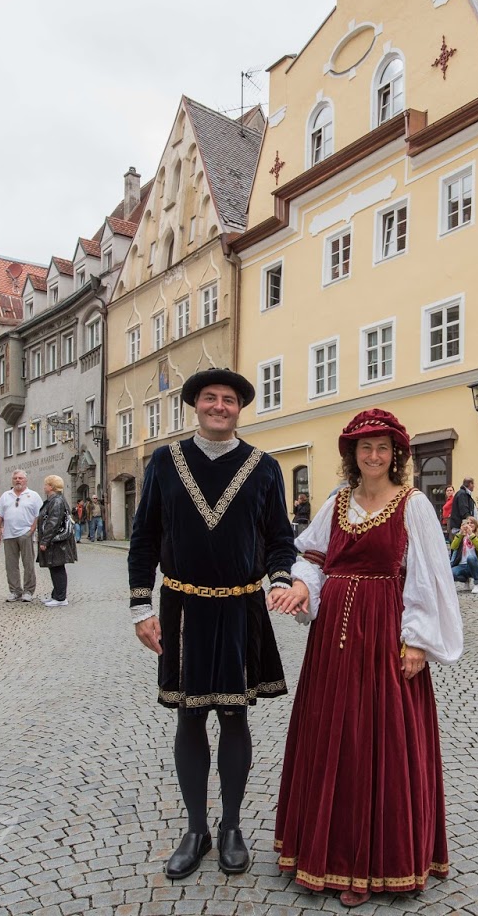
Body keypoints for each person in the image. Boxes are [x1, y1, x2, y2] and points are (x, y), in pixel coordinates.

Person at [270, 409, 463, 908]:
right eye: (365, 448)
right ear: (352, 455)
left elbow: (428, 576)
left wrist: (417, 640)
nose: (373, 456)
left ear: (395, 454)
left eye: (382, 448)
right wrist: (301, 588)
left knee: (379, 738)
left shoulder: (412, 505)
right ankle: (322, 853)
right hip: (331, 641)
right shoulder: (337, 501)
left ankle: (378, 864)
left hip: (383, 634)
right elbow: (312, 558)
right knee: (331, 733)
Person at [128, 368, 296, 881]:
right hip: (183, 608)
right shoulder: (165, 462)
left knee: (234, 716)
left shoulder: (264, 468)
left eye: (228, 399)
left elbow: (279, 537)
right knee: (189, 716)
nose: (219, 406)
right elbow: (144, 538)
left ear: (240, 408)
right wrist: (141, 607)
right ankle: (196, 829)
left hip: (242, 607)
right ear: (195, 405)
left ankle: (231, 828)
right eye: (210, 398)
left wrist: (281, 578)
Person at [0, 470, 42, 603]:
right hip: (9, 534)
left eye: (20, 478)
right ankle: (15, 591)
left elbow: (39, 515)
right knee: (11, 565)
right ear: (12, 480)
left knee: (28, 564)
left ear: (26, 480)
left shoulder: (33, 495)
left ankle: (28, 591)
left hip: (26, 533)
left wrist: (32, 529)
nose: (18, 480)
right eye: (15, 478)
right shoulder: (6, 496)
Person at [36, 475, 77, 606]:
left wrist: (45, 541)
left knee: (57, 567)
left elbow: (53, 523)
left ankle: (60, 598)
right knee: (55, 567)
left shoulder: (56, 501)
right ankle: (56, 595)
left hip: (57, 541)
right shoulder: (55, 500)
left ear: (51, 487)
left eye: (46, 484)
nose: (44, 487)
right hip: (56, 541)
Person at [450, 515, 478, 594]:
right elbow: (453, 547)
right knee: (451, 573)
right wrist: (460, 533)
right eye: (467, 523)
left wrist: (471, 535)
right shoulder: (461, 536)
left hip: (474, 564)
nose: (469, 525)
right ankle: (465, 579)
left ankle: (477, 584)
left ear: (476, 525)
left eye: (472, 523)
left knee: (471, 558)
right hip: (461, 564)